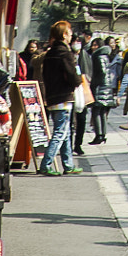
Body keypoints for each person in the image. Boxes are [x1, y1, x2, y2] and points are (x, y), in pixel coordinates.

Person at [39, 19, 82, 176]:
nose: (71, 36)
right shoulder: (65, 53)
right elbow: (73, 76)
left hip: (52, 95)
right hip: (64, 96)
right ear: (64, 35)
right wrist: (78, 81)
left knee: (65, 132)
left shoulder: (50, 54)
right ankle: (46, 163)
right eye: (70, 33)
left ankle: (68, 164)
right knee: (60, 131)